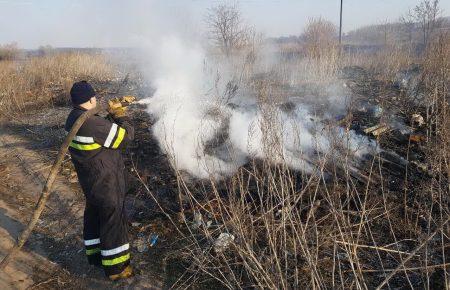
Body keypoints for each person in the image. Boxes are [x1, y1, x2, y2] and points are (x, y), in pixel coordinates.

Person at [65, 81, 135, 281]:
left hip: (90, 181)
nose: (96, 100)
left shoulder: (74, 119)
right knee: (113, 221)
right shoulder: (91, 124)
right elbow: (125, 138)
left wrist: (109, 115)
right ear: (90, 99)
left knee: (95, 216)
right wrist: (120, 115)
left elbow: (99, 132)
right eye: (94, 97)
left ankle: (96, 256)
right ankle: (117, 269)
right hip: (106, 181)